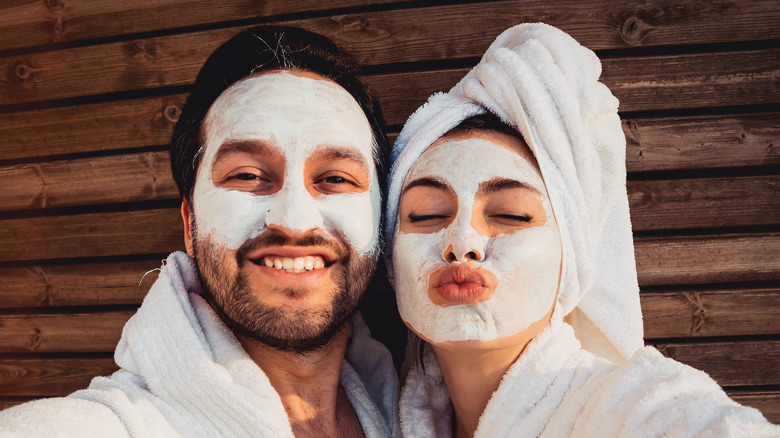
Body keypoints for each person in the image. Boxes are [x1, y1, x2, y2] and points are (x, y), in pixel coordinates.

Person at [0, 26, 399, 438]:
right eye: (247, 175)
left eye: (334, 178)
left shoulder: (409, 417)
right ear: (190, 225)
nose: (294, 221)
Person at [384, 23, 779, 437]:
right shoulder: (382, 421)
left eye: (512, 216)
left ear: (569, 255)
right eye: (426, 216)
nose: (461, 243)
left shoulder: (635, 408)